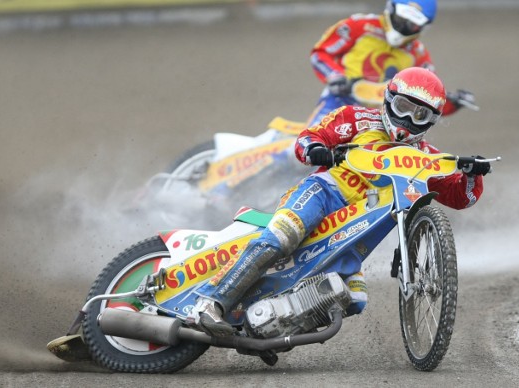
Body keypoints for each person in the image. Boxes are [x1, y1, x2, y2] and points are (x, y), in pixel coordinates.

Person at [186, 67, 490, 337]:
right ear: (388, 99)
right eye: (403, 107)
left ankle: (268, 330)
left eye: (420, 115)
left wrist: (472, 174)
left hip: (355, 231)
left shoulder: (427, 156)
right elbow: (306, 139)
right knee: (281, 237)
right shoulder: (354, 118)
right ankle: (208, 303)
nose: (408, 120)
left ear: (432, 121)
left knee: (353, 299)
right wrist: (317, 149)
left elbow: (460, 197)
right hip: (323, 193)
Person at [307, 0, 476, 127]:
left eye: (412, 25)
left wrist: (453, 103)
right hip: (340, 100)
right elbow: (321, 53)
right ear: (391, 9)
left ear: (423, 27)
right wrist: (335, 75)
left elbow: (425, 100)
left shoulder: (418, 55)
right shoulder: (358, 26)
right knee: (316, 139)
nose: (404, 28)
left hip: (384, 115)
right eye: (401, 20)